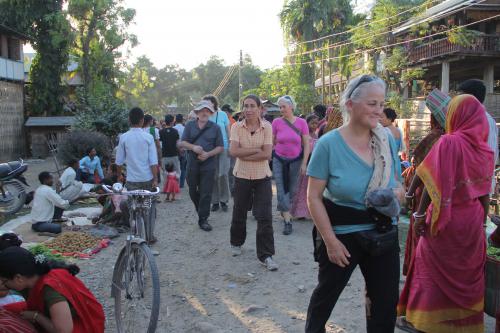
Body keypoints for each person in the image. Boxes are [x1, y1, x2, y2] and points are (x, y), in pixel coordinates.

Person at [305, 75, 402, 333]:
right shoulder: (328, 144)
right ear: (350, 104)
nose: (378, 111)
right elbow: (314, 197)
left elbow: (398, 183)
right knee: (324, 300)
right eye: (372, 103)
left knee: (385, 305)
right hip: (343, 237)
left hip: (383, 234)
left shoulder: (387, 140)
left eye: (381, 104)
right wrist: (330, 241)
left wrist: (396, 195)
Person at [397, 95, 494, 333]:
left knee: (429, 268)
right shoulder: (486, 151)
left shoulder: (449, 142)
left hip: (445, 218)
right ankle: (462, 326)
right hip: (472, 220)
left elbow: (431, 181)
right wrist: (481, 225)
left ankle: (424, 321)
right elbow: (483, 192)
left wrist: (419, 215)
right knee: (463, 273)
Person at [0, 246, 105, 333]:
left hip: (81, 327)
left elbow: (64, 331)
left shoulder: (50, 289)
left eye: (4, 281)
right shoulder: (31, 278)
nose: (3, 284)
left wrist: (36, 316)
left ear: (18, 278)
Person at [229, 95, 278, 271]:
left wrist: (245, 153)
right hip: (241, 175)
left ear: (259, 109)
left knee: (265, 215)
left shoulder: (267, 127)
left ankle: (266, 255)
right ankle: (236, 242)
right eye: (245, 106)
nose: (248, 109)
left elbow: (267, 155)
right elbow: (233, 151)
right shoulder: (236, 127)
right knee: (239, 210)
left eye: (252, 106)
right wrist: (256, 149)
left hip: (262, 176)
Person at [402, 88, 448, 276]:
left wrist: (410, 193)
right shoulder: (454, 138)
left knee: (421, 233)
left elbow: (423, 171)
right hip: (445, 198)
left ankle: (417, 274)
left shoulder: (436, 138)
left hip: (426, 195)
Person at [116, 107, 159, 244]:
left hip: (132, 182)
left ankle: (135, 234)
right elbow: (153, 161)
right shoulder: (148, 137)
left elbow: (119, 162)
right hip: (147, 181)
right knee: (149, 208)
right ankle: (150, 236)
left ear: (129, 120)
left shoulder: (123, 138)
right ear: (142, 120)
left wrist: (119, 177)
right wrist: (155, 179)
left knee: (133, 210)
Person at [180, 100, 224, 231]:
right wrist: (193, 147)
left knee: (206, 193)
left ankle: (203, 219)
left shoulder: (215, 128)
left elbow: (220, 147)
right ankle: (201, 210)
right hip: (192, 163)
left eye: (207, 110)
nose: (205, 112)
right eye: (202, 110)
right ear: (197, 112)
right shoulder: (189, 126)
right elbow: (183, 142)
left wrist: (208, 154)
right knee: (193, 190)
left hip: (208, 164)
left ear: (210, 113)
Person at [272, 95, 311, 235]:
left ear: (292, 107)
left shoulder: (302, 123)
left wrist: (304, 163)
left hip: (296, 161)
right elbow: (272, 142)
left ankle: (284, 210)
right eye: (280, 107)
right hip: (279, 160)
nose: (281, 109)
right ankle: (287, 222)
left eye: (284, 106)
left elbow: (306, 144)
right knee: (281, 189)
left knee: (292, 190)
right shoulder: (276, 122)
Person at [458, 79, 499, 193]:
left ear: (471, 98)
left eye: (462, 97)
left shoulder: (472, 120)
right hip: (482, 183)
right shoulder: (490, 120)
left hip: (474, 186)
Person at [203, 95, 231, 213]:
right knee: (213, 175)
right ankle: (214, 201)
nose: (207, 105)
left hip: (223, 148)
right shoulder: (204, 116)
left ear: (214, 103)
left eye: (208, 103)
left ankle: (224, 200)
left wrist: (230, 146)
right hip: (210, 150)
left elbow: (228, 131)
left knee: (223, 174)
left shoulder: (223, 115)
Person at [290, 114, 320, 220]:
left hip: (313, 166)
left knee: (308, 190)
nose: (314, 125)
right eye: (312, 123)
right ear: (306, 124)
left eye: (316, 123)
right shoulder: (303, 136)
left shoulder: (316, 135)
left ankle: (305, 212)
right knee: (300, 190)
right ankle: (296, 211)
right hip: (303, 165)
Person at [174, 114, 187, 188]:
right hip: (184, 150)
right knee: (183, 168)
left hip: (175, 150)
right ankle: (181, 184)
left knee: (176, 168)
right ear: (182, 120)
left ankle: (175, 183)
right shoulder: (185, 128)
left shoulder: (173, 128)